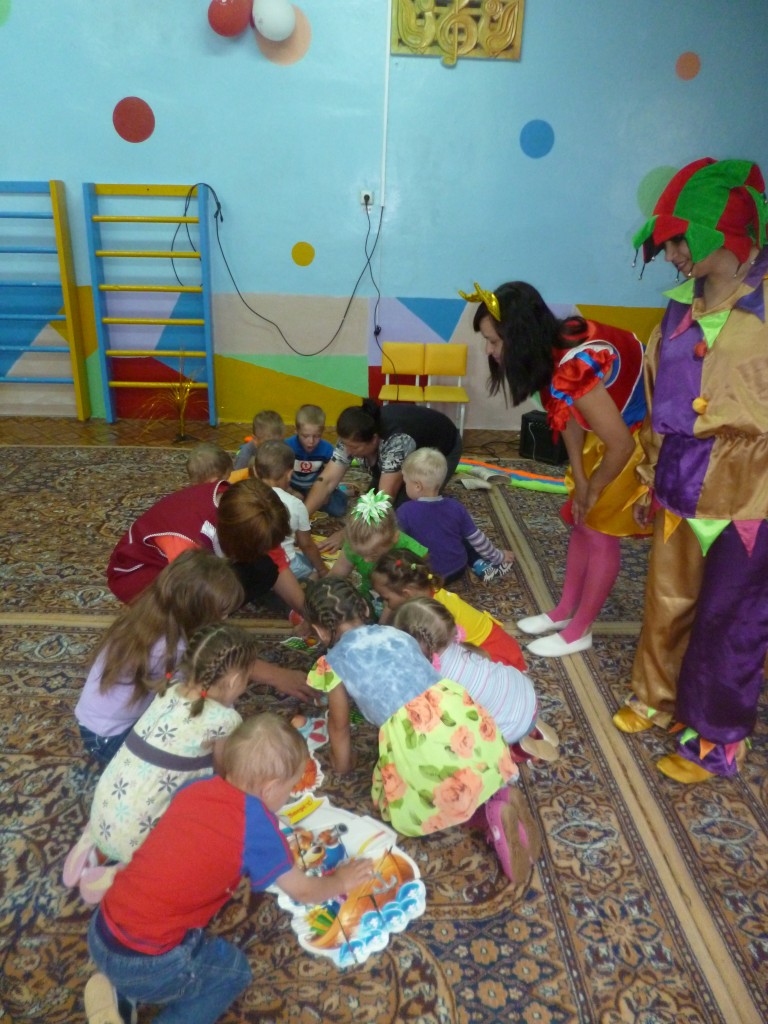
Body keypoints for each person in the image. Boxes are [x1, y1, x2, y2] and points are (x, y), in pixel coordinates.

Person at [612, 157, 768, 783]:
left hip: (750, 489)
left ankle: (715, 735)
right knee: (667, 599)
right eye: (666, 246)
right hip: (680, 475)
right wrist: (649, 472)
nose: (673, 256)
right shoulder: (677, 311)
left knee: (732, 615)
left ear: (720, 233)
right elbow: (658, 397)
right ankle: (656, 696)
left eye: (679, 242)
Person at [83, 713, 373, 1024]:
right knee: (232, 971)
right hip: (150, 961)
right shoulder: (256, 825)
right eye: (290, 788)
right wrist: (341, 880)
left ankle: (119, 997)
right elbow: (303, 891)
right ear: (271, 788)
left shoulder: (196, 787)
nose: (289, 795)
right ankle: (134, 989)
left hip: (103, 928)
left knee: (165, 927)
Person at [302, 577, 540, 884]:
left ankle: (486, 817)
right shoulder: (397, 633)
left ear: (321, 631)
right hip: (458, 710)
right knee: (459, 760)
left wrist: (343, 766)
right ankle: (499, 793)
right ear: (364, 608)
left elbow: (339, 726)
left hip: (415, 735)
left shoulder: (332, 663)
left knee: (403, 809)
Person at [462, 280, 651, 657]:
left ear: (518, 336)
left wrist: (594, 488)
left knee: (599, 528)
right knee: (581, 520)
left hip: (638, 437)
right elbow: (566, 417)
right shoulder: (547, 357)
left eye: (494, 341)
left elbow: (622, 445)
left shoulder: (576, 365)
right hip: (609, 432)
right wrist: (579, 479)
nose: (489, 351)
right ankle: (564, 611)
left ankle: (581, 630)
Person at [64, 624, 261, 904]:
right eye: (247, 678)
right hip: (139, 834)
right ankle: (123, 873)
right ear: (234, 680)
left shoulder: (169, 690)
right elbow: (222, 776)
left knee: (136, 803)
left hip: (104, 804)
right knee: (197, 834)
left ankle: (93, 844)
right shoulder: (225, 720)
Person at [106, 477, 307, 626]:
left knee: (266, 569)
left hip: (197, 561)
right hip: (143, 575)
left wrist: (308, 613)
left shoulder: (241, 506)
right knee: (185, 622)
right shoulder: (186, 545)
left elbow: (278, 563)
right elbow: (194, 608)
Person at [392, 596, 558, 760]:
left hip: (513, 727)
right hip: (528, 695)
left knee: (459, 743)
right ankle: (533, 725)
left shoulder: (437, 680)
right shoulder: (459, 646)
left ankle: (522, 748)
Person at [304, 398, 463, 551]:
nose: (348, 451)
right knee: (370, 504)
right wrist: (301, 517)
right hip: (396, 452)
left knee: (404, 513)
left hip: (441, 448)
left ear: (374, 440)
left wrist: (348, 533)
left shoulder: (396, 442)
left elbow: (385, 497)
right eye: (346, 445)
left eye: (355, 448)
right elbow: (326, 481)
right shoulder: (351, 436)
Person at [371, 548, 527, 670]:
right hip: (500, 645)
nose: (386, 604)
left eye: (386, 599)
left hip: (494, 655)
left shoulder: (428, 614)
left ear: (406, 594)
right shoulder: (429, 591)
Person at [396, 447, 516, 583]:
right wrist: (499, 556)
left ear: (417, 486)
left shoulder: (404, 511)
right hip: (456, 569)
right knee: (463, 535)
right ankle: (478, 564)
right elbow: (478, 539)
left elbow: (394, 541)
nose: (405, 486)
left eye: (406, 482)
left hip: (423, 574)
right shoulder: (455, 507)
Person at [330, 490, 426, 603]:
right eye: (360, 554)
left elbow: (421, 594)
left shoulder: (413, 553)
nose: (366, 560)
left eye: (373, 554)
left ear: (394, 538)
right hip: (368, 599)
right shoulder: (356, 544)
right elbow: (335, 576)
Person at [252, 440, 328, 581]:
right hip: (285, 566)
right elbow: (306, 545)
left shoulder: (244, 496)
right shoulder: (295, 504)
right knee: (313, 571)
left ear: (255, 472)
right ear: (289, 474)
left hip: (252, 566)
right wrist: (322, 570)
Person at [286, 403, 348, 517]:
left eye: (317, 436)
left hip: (316, 487)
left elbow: (332, 475)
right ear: (296, 431)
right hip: (292, 487)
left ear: (322, 431)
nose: (311, 441)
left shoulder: (327, 449)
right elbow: (278, 475)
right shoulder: (287, 447)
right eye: (305, 436)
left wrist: (326, 493)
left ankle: (341, 493)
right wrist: (291, 491)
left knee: (339, 509)